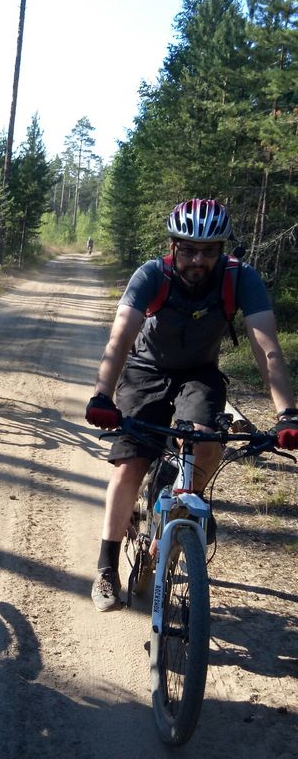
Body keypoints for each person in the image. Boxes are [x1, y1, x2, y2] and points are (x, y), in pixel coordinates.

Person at [85, 198, 298, 611]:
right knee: (132, 461)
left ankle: (189, 501)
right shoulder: (152, 274)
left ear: (223, 250)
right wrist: (102, 395)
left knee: (205, 442)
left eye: (209, 250)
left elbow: (267, 349)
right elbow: (120, 338)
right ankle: (107, 567)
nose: (198, 259)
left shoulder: (241, 278)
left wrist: (287, 413)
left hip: (199, 374)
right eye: (188, 249)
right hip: (146, 368)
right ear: (173, 246)